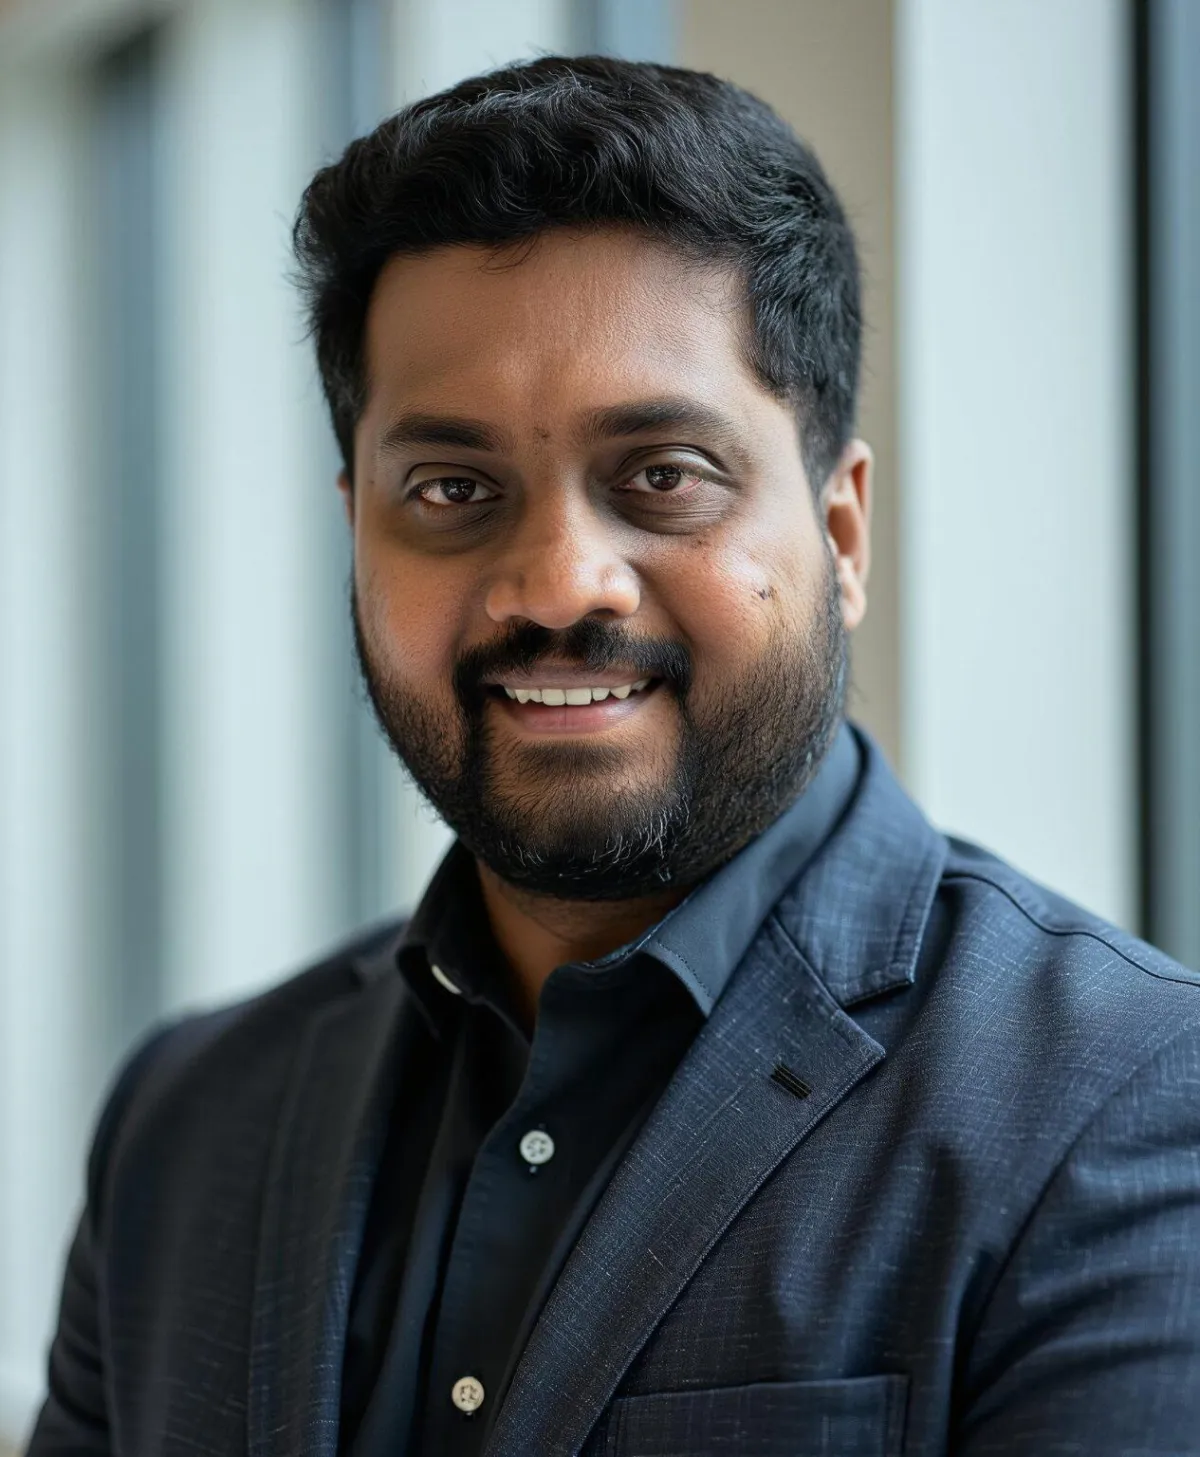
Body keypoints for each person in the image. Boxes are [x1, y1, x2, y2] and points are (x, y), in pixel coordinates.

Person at [28, 55, 1200, 1457]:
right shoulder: (185, 1124)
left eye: (663, 476)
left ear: (840, 534)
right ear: (356, 532)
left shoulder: (1123, 1102)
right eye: (453, 489)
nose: (557, 583)